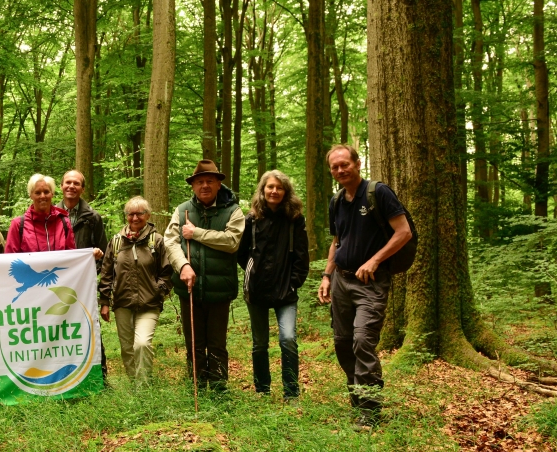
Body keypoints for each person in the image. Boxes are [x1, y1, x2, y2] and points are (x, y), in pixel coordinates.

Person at [318, 144, 412, 426]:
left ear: (357, 164)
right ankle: (358, 399)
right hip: (341, 281)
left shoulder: (377, 193)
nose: (340, 170)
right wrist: (326, 276)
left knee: (362, 340)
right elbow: (337, 241)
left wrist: (374, 260)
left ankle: (370, 411)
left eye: (345, 164)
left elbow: (403, 232)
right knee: (342, 343)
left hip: (371, 282)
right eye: (335, 167)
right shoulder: (336, 201)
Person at [165, 160, 244, 391]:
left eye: (210, 181)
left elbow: (232, 242)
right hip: (189, 288)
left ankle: (219, 388)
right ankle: (197, 386)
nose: (205, 186)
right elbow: (170, 242)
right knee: (194, 342)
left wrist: (196, 233)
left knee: (217, 343)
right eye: (200, 182)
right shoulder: (182, 210)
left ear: (219, 184)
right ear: (193, 186)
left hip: (220, 289)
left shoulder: (233, 211)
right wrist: (183, 266)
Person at [237, 170, 309, 400]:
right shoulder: (251, 220)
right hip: (256, 290)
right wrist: (253, 273)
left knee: (288, 339)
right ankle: (262, 390)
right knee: (260, 343)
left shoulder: (294, 219)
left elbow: (302, 256)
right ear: (263, 189)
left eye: (279, 187)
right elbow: (241, 253)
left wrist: (294, 282)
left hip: (286, 291)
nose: (274, 191)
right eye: (270, 187)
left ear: (286, 191)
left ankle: (291, 392)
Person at [98, 197, 173, 385]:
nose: (135, 218)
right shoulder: (116, 241)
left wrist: (159, 290)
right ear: (126, 216)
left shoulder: (156, 241)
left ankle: (144, 386)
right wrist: (105, 301)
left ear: (147, 215)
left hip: (149, 303)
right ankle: (134, 383)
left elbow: (167, 272)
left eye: (140, 213)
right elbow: (106, 274)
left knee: (142, 344)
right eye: (131, 214)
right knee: (127, 348)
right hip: (122, 303)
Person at [5, 174, 76, 253]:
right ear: (31, 195)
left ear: (52, 194)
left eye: (46, 192)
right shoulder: (18, 225)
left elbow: (72, 256)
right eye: (37, 193)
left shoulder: (64, 222)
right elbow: (10, 258)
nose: (42, 196)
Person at [60, 170, 107, 263]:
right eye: (68, 182)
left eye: (76, 183)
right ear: (61, 186)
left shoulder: (93, 217)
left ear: (83, 189)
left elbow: (104, 253)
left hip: (85, 271)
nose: (71, 186)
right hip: (59, 270)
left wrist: (96, 263)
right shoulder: (52, 217)